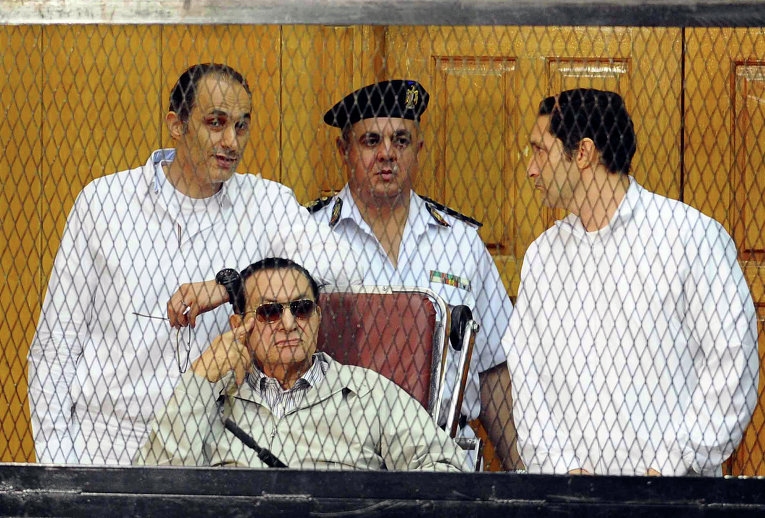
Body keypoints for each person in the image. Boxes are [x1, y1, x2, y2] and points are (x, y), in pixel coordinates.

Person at [28, 63, 364, 465]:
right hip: (108, 441)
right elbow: (55, 348)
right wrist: (60, 468)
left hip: (219, 442)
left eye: (241, 126)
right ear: (177, 124)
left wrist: (232, 287)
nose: (231, 142)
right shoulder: (104, 202)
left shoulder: (265, 202)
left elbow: (348, 272)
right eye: (215, 123)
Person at [503, 88, 759, 476]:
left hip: (673, 497)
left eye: (540, 151)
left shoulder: (690, 237)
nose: (531, 169)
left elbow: (734, 359)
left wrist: (670, 468)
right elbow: (526, 374)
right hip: (569, 497)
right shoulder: (542, 257)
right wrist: (562, 471)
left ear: (583, 153)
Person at [306, 80, 519, 470]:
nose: (387, 153)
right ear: (344, 150)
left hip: (444, 456)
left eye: (400, 140)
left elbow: (494, 369)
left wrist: (520, 474)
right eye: (371, 140)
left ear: (419, 149)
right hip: (339, 457)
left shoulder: (461, 243)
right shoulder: (308, 236)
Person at [134, 257, 466, 471]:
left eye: (302, 308)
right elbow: (154, 488)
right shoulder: (213, 399)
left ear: (318, 318)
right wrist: (199, 381)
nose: (289, 323)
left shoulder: (369, 394)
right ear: (239, 326)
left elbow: (447, 469)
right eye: (269, 312)